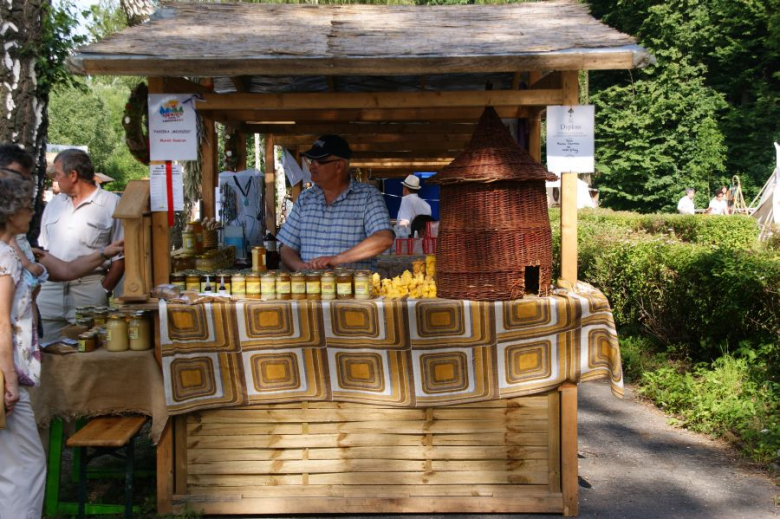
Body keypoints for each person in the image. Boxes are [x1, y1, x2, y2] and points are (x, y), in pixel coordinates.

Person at [37, 149, 124, 341]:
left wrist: (103, 290)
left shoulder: (111, 204)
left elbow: (121, 258)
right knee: (46, 353)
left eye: (58, 175)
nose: (56, 180)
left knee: (89, 354)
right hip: (49, 292)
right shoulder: (54, 204)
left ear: (73, 175)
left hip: (88, 290)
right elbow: (43, 251)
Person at [0, 175, 47, 518]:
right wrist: (10, 380)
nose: (32, 213)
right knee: (27, 464)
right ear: (10, 211)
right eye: (27, 206)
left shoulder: (10, 251)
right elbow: (2, 322)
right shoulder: (5, 258)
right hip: (4, 373)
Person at [277, 135, 394, 271]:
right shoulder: (305, 198)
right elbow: (286, 249)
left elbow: (384, 238)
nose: (311, 167)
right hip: (311, 289)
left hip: (353, 290)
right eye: (311, 161)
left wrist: (336, 259)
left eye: (319, 161)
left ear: (339, 166)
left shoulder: (368, 197)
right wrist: (303, 269)